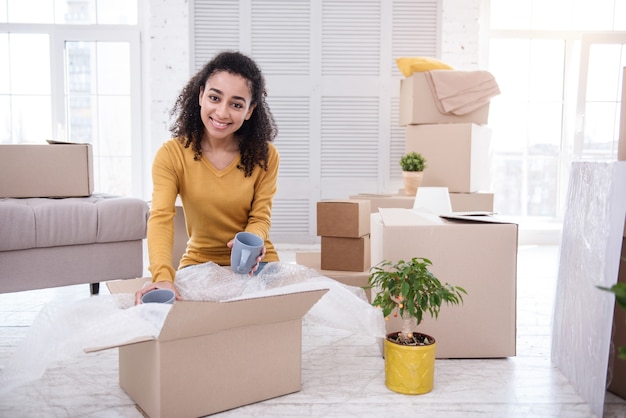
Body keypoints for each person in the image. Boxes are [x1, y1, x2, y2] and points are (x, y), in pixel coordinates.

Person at [135, 51, 280, 304]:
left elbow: (260, 216)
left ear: (249, 111)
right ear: (201, 95)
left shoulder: (265, 155)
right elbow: (161, 218)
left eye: (236, 104)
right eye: (215, 98)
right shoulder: (171, 155)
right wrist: (162, 275)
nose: (222, 113)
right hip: (200, 263)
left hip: (258, 265)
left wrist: (253, 241)